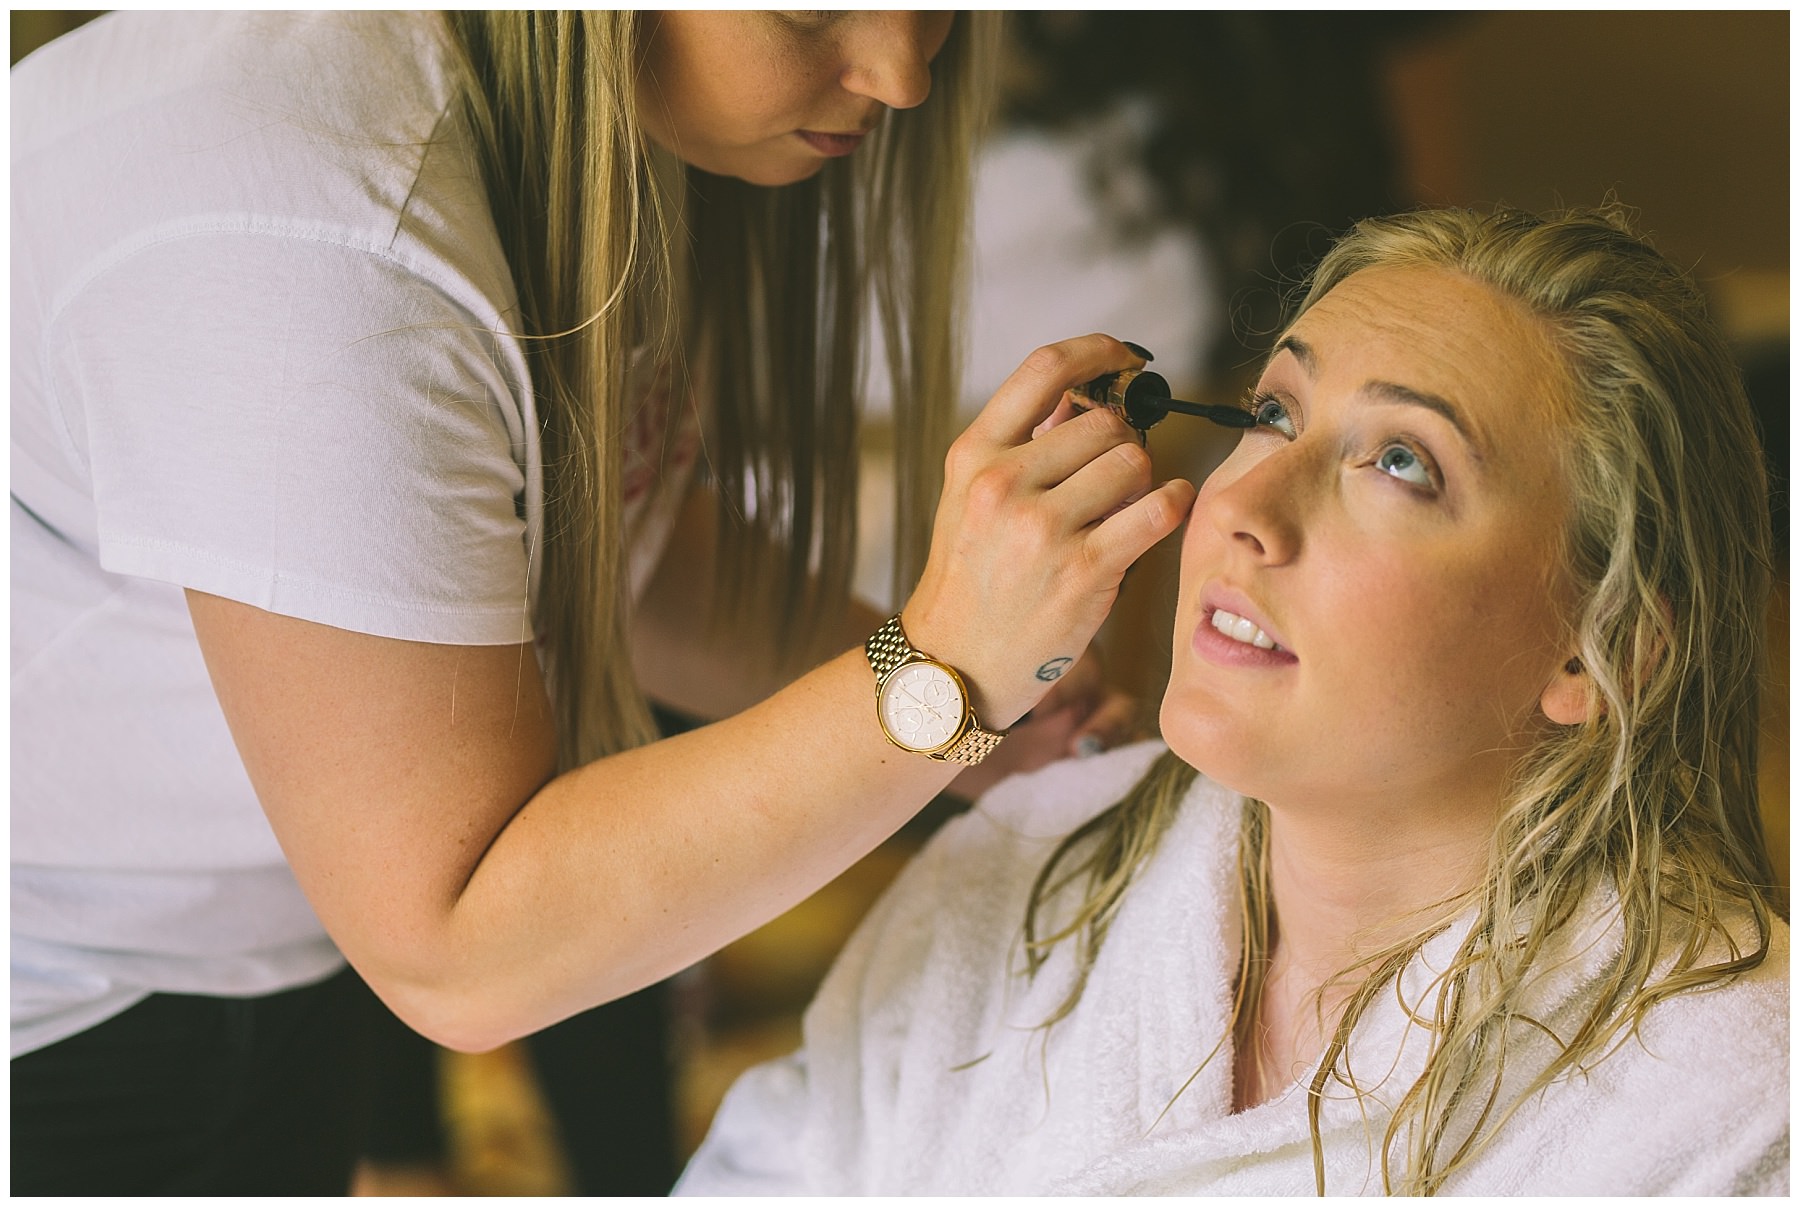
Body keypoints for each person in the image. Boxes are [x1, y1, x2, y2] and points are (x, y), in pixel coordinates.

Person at [11, 11, 1187, 1194]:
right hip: (58, 1008)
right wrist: (944, 677)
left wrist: (978, 721)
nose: (902, 75)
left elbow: (621, 546)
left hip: (248, 957)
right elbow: (455, 947)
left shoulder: (608, 125)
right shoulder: (321, 233)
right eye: (809, 6)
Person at [676, 204, 1790, 1196]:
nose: (1246, 501)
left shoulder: (1728, 1112)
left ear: (1603, 653)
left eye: (1401, 462)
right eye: (1272, 412)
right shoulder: (1017, 869)